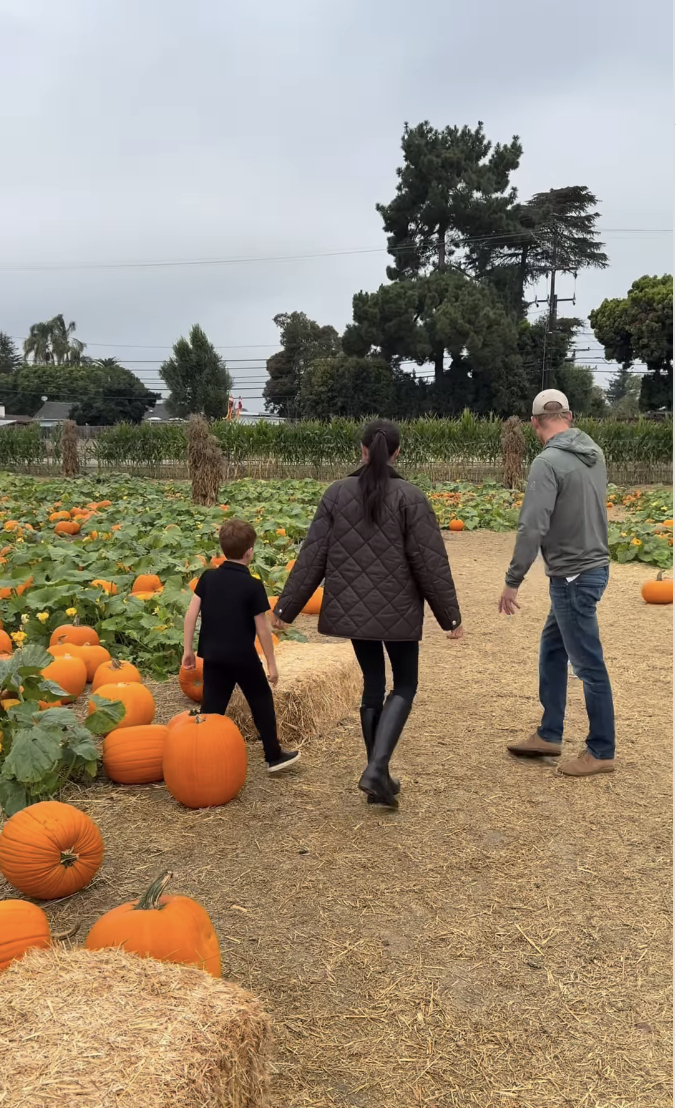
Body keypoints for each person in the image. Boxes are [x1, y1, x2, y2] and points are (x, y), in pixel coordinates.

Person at [272, 419, 463, 808]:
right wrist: (450, 617)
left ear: (361, 450)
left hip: (354, 610)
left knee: (373, 685)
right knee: (405, 685)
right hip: (399, 611)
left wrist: (285, 608)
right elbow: (429, 562)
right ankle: (377, 770)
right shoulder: (411, 497)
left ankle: (380, 773)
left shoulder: (336, 494)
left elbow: (312, 557)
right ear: (396, 453)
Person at [498, 390, 615, 776]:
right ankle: (549, 733)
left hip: (572, 575)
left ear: (534, 423)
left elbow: (533, 525)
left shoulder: (547, 462)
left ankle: (601, 750)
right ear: (570, 415)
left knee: (587, 664)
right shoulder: (594, 452)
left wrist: (513, 580)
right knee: (553, 647)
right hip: (593, 565)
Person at [182, 518, 300, 774]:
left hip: (212, 656)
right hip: (243, 658)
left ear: (223, 549)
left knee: (212, 710)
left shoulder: (208, 577)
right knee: (261, 701)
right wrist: (271, 662)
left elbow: (191, 615)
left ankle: (200, 758)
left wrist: (188, 650)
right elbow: (262, 629)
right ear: (250, 552)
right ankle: (273, 755)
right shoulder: (253, 586)